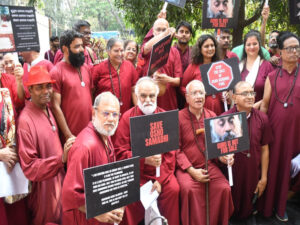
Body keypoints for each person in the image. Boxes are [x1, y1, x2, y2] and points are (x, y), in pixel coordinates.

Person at [113, 77, 180, 225]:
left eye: (151, 96)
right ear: (137, 97)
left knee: (173, 190)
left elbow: (171, 153)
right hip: (136, 173)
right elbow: (120, 152)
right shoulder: (126, 118)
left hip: (161, 172)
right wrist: (144, 160)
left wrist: (160, 180)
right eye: (143, 96)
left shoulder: (164, 116)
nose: (148, 99)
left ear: (157, 96)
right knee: (130, 197)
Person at [17, 66, 75, 225]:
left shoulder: (48, 108)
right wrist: (60, 160)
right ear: (29, 89)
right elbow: (29, 167)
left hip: (58, 185)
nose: (46, 91)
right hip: (42, 194)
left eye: (48, 86)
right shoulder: (25, 121)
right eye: (39, 87)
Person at [176, 80, 234, 225]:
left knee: (224, 188)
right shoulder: (178, 117)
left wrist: (224, 158)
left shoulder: (212, 115)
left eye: (201, 93)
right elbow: (176, 150)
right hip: (186, 169)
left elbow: (219, 146)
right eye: (194, 93)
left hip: (208, 165)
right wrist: (191, 171)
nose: (198, 96)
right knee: (189, 189)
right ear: (187, 97)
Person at [62, 92, 124, 225]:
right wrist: (97, 212)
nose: (111, 119)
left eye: (115, 115)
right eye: (106, 113)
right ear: (93, 113)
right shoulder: (84, 147)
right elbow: (70, 194)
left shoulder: (105, 134)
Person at [260, 32, 300, 222]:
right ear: (281, 52)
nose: (294, 51)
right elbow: (265, 105)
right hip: (274, 132)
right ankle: (266, 208)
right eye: (290, 48)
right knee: (272, 168)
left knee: (288, 170)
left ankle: (282, 207)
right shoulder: (271, 76)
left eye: (297, 48)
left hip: (296, 134)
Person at [222, 81, 272, 220]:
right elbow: (219, 151)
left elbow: (264, 149)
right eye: (245, 93)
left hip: (253, 172)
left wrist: (264, 178)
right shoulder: (225, 118)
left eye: (252, 93)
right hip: (232, 173)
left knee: (249, 209)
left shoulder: (262, 118)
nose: (250, 97)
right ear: (234, 98)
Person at [51, 30, 93, 142]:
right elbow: (55, 106)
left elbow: (90, 98)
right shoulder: (56, 71)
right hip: (71, 137)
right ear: (65, 49)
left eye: (82, 46)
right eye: (77, 46)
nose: (82, 50)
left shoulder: (86, 68)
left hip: (89, 133)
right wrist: (69, 136)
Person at [140, 18, 182, 111]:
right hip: (148, 100)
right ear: (153, 32)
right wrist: (165, 33)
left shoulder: (174, 52)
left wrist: (167, 79)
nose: (161, 32)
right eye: (158, 29)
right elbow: (145, 48)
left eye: (164, 29)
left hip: (168, 100)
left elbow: (178, 81)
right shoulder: (149, 48)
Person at [181, 34, 226, 115]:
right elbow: (182, 87)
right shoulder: (193, 67)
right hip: (197, 111)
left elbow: (224, 87)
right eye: (206, 46)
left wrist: (226, 96)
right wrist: (195, 95)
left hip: (218, 109)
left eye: (212, 45)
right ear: (200, 49)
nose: (210, 48)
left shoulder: (220, 66)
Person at [92, 38, 138, 114]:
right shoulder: (99, 68)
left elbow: (133, 90)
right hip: (105, 114)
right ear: (108, 51)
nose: (120, 54)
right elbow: (92, 92)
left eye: (122, 50)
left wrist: (137, 110)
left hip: (125, 113)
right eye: (116, 51)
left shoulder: (129, 66)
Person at [238, 30, 274, 107]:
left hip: (261, 112)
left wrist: (256, 106)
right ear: (244, 47)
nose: (252, 47)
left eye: (255, 44)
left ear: (259, 45)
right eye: (248, 44)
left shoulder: (267, 66)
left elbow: (273, 93)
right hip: (239, 113)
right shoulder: (238, 67)